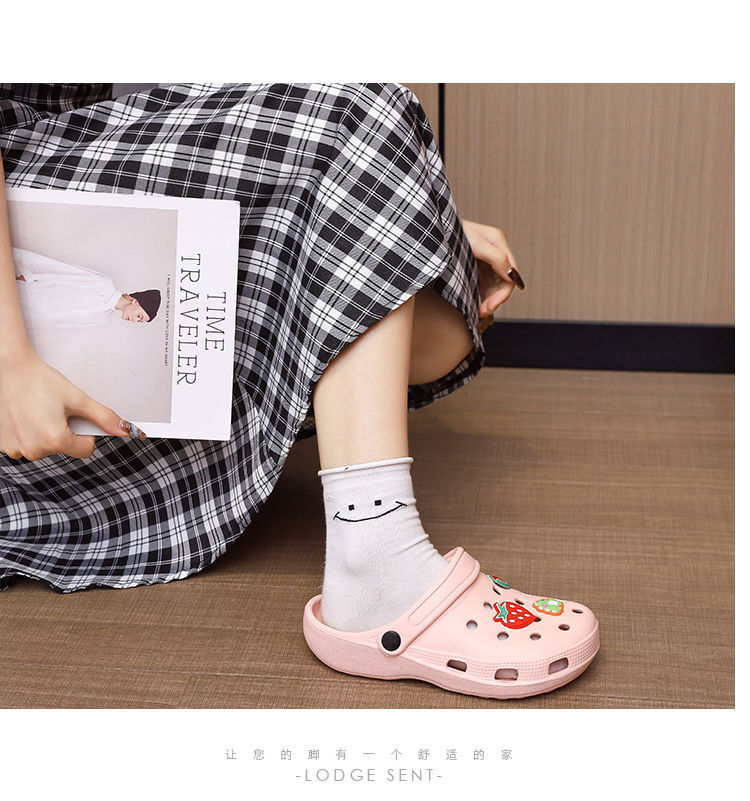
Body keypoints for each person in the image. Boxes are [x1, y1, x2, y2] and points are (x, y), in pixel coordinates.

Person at [0, 83, 599, 700]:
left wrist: (397, 207)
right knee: (357, 120)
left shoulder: (103, 292)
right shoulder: (99, 297)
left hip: (45, 165)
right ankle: (376, 558)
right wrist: (10, 362)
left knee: (437, 312)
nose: (130, 318)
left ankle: (375, 548)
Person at [12, 245, 160, 336]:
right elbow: (64, 274)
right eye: (139, 316)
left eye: (139, 321)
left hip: (24, 317)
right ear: (135, 301)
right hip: (28, 293)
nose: (135, 320)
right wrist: (29, 277)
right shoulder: (104, 284)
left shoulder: (103, 319)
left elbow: (58, 324)